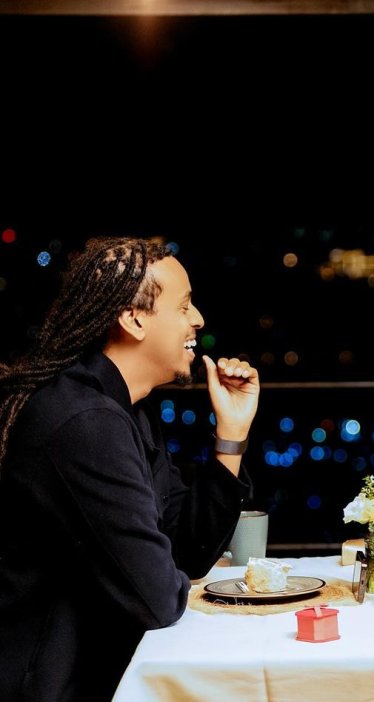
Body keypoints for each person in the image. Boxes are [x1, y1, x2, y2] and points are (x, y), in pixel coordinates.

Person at [0, 237, 260, 702]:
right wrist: (163, 573)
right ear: (134, 319)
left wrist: (231, 435)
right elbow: (157, 599)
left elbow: (187, 553)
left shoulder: (125, 410)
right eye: (183, 306)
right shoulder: (87, 423)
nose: (198, 318)